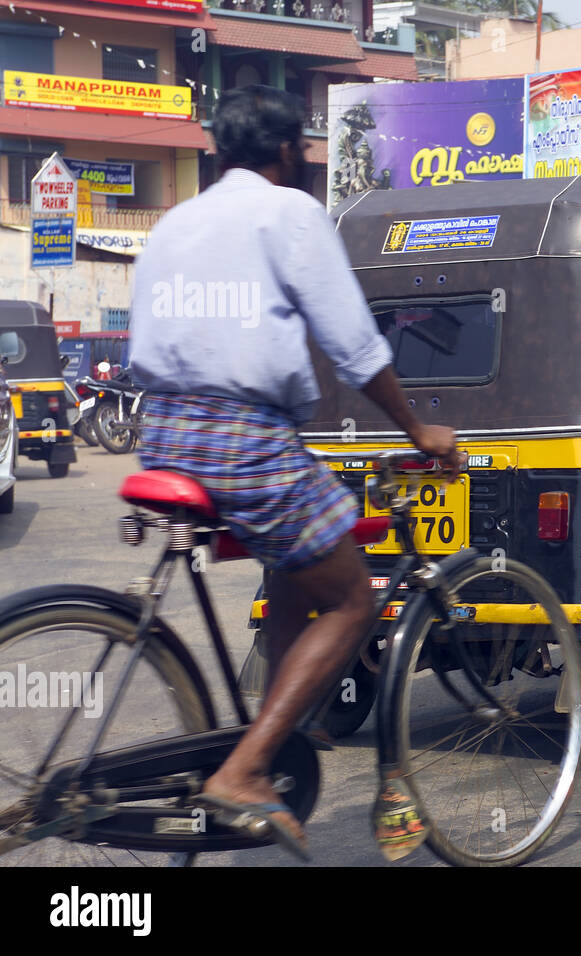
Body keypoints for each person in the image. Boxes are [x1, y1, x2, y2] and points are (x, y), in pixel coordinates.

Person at [129, 86, 462, 859]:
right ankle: (244, 770)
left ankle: (278, 730)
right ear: (288, 155)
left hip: (161, 433)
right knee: (350, 596)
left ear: (219, 155)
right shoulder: (289, 214)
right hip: (243, 440)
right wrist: (417, 428)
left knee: (296, 563)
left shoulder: (176, 222)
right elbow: (353, 343)